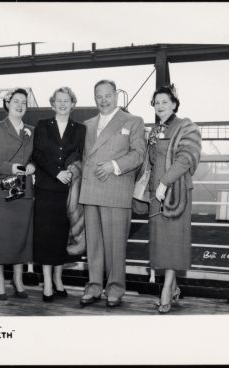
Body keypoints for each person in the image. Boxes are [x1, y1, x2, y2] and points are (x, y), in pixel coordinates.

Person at [79, 80, 146, 308]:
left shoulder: (133, 121)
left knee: (116, 245)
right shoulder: (86, 125)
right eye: (99, 96)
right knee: (94, 245)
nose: (104, 100)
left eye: (108, 95)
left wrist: (114, 165)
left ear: (116, 96)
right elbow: (80, 157)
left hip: (116, 188)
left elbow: (139, 155)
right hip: (90, 190)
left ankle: (115, 289)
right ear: (94, 98)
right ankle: (94, 287)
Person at [147, 84, 201, 314]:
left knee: (172, 244)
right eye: (157, 102)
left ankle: (166, 290)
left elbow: (186, 158)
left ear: (175, 104)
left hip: (174, 192)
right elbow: (150, 161)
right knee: (162, 243)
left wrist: (164, 182)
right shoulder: (154, 130)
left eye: (165, 102)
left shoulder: (186, 127)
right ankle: (174, 287)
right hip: (155, 194)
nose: (160, 106)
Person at [0, 88, 36, 300]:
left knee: (21, 237)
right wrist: (10, 168)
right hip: (3, 189)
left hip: (24, 190)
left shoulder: (32, 130)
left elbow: (36, 157)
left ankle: (18, 280)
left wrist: (32, 165)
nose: (20, 105)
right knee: (0, 238)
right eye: (16, 101)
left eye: (24, 102)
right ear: (7, 104)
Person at [32, 87, 86, 302]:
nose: (63, 104)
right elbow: (37, 154)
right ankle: (47, 283)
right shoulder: (43, 125)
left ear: (73, 104)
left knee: (62, 236)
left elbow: (78, 154)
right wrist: (57, 172)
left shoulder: (80, 129)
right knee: (46, 236)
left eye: (67, 100)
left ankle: (58, 280)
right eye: (58, 100)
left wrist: (69, 171)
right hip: (46, 187)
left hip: (68, 189)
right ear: (52, 104)